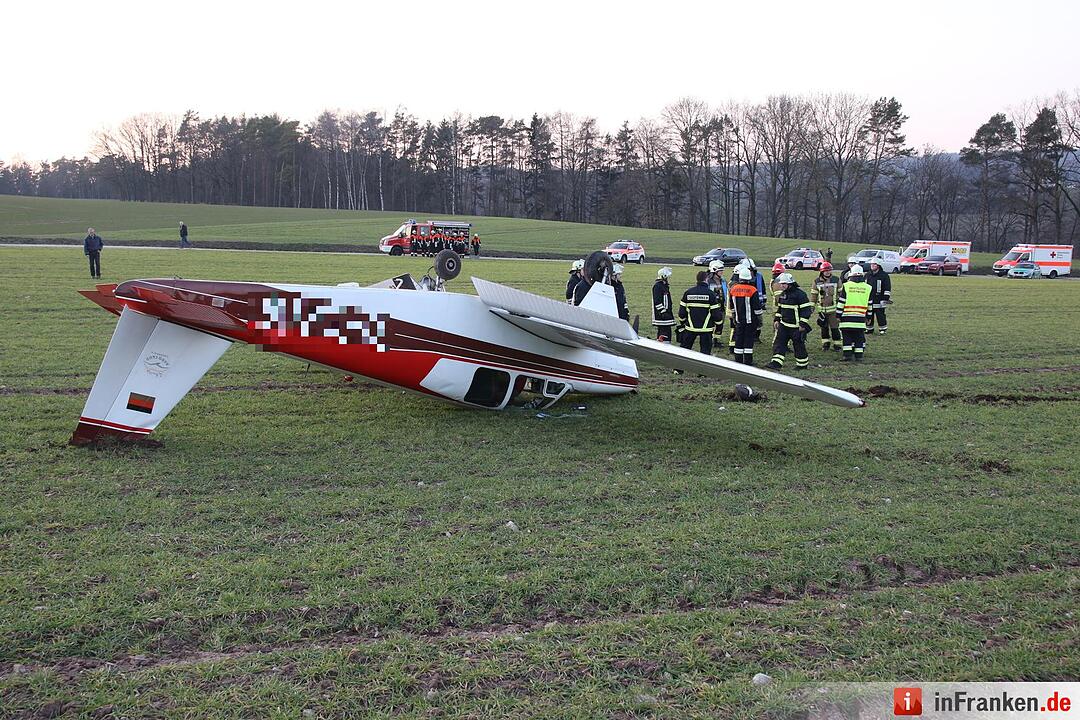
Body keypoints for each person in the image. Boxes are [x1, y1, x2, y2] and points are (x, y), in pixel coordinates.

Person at [768, 272, 813, 370]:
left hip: (796, 326)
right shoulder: (783, 294)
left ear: (790, 284)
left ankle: (802, 365)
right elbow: (780, 308)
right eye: (781, 284)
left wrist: (802, 324)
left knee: (798, 346)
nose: (782, 286)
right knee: (779, 343)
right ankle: (776, 363)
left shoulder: (800, 295)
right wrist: (777, 319)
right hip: (784, 325)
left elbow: (806, 310)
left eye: (784, 284)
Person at [677, 271, 722, 355]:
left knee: (684, 351)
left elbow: (681, 313)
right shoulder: (710, 294)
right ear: (706, 279)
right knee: (705, 353)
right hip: (706, 329)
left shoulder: (688, 293)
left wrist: (683, 323)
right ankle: (702, 368)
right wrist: (719, 326)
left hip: (690, 328)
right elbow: (716, 315)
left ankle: (678, 368)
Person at [728, 266, 764, 365]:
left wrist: (734, 317)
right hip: (750, 321)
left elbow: (732, 306)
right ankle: (748, 361)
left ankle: (738, 360)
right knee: (748, 340)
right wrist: (760, 320)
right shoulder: (753, 290)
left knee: (738, 339)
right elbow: (757, 308)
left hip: (739, 320)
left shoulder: (733, 289)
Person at [837, 264, 872, 361]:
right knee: (859, 338)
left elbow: (841, 302)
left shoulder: (846, 286)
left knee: (847, 337)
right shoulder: (868, 287)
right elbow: (870, 304)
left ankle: (847, 355)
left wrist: (838, 315)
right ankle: (859, 356)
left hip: (846, 318)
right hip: (860, 319)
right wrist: (869, 317)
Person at [810, 261, 842, 351]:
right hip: (822, 311)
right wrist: (811, 307)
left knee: (835, 328)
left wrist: (841, 307)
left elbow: (842, 294)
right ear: (822, 271)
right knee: (824, 329)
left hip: (834, 310)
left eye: (829, 270)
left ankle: (837, 345)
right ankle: (825, 344)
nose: (828, 272)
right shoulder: (816, 282)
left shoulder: (836, 280)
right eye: (826, 271)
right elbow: (814, 296)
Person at [865, 260, 893, 334]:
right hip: (869, 299)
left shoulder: (884, 275)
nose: (872, 265)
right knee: (869, 314)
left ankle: (882, 328)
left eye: (874, 264)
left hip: (880, 299)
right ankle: (869, 328)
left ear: (878, 266)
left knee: (880, 315)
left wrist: (885, 298)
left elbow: (887, 287)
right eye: (871, 264)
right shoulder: (868, 275)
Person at [652, 267, 676, 343]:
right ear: (663, 276)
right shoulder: (657, 286)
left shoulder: (664, 285)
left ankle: (666, 344)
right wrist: (663, 312)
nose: (669, 278)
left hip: (666, 314)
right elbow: (657, 301)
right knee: (663, 332)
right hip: (662, 315)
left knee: (667, 331)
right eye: (667, 277)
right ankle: (662, 346)